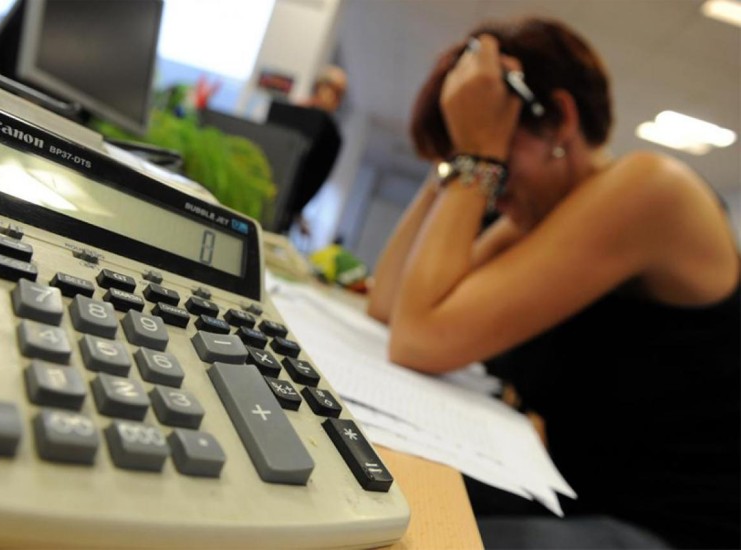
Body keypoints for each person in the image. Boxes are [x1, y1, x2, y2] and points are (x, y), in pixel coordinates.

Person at [366, 16, 739, 550]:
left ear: (560, 119)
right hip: (576, 498)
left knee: (397, 541)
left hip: (669, 531)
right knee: (367, 497)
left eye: (496, 154)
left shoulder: (651, 189)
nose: (490, 190)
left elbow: (419, 338)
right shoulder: (537, 220)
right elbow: (390, 305)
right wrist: (460, 151)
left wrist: (478, 155)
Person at [266, 65, 347, 234]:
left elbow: (311, 178)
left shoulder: (332, 136)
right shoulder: (290, 114)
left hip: (282, 213)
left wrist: (296, 212)